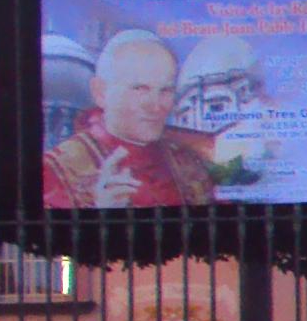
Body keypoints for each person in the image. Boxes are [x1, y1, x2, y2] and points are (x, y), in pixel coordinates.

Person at [41, 30, 219, 208]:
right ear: (100, 92)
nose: (156, 106)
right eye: (140, 89)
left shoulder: (187, 162)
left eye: (166, 90)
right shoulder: (55, 170)